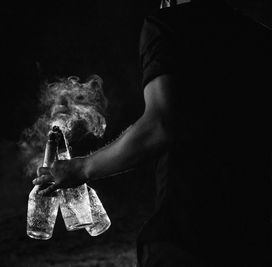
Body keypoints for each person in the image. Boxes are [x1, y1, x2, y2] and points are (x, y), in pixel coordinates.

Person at [33, 0, 272, 266]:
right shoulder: (260, 36)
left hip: (190, 234)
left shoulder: (169, 24)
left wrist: (82, 168)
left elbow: (160, 125)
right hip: (256, 237)